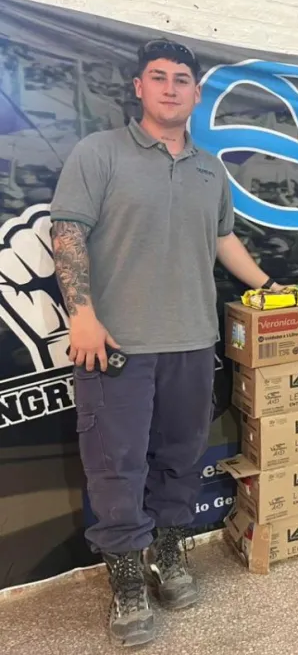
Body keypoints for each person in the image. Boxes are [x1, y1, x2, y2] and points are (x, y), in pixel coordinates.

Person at [49, 39, 283, 647]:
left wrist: (269, 287)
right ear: (138, 87)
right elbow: (67, 231)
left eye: (182, 79)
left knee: (180, 459)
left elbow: (222, 239)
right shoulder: (99, 153)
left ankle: (169, 556)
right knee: (117, 468)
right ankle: (128, 582)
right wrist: (81, 313)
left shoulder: (210, 169)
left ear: (196, 93)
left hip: (192, 340)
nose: (170, 88)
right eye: (158, 77)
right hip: (116, 345)